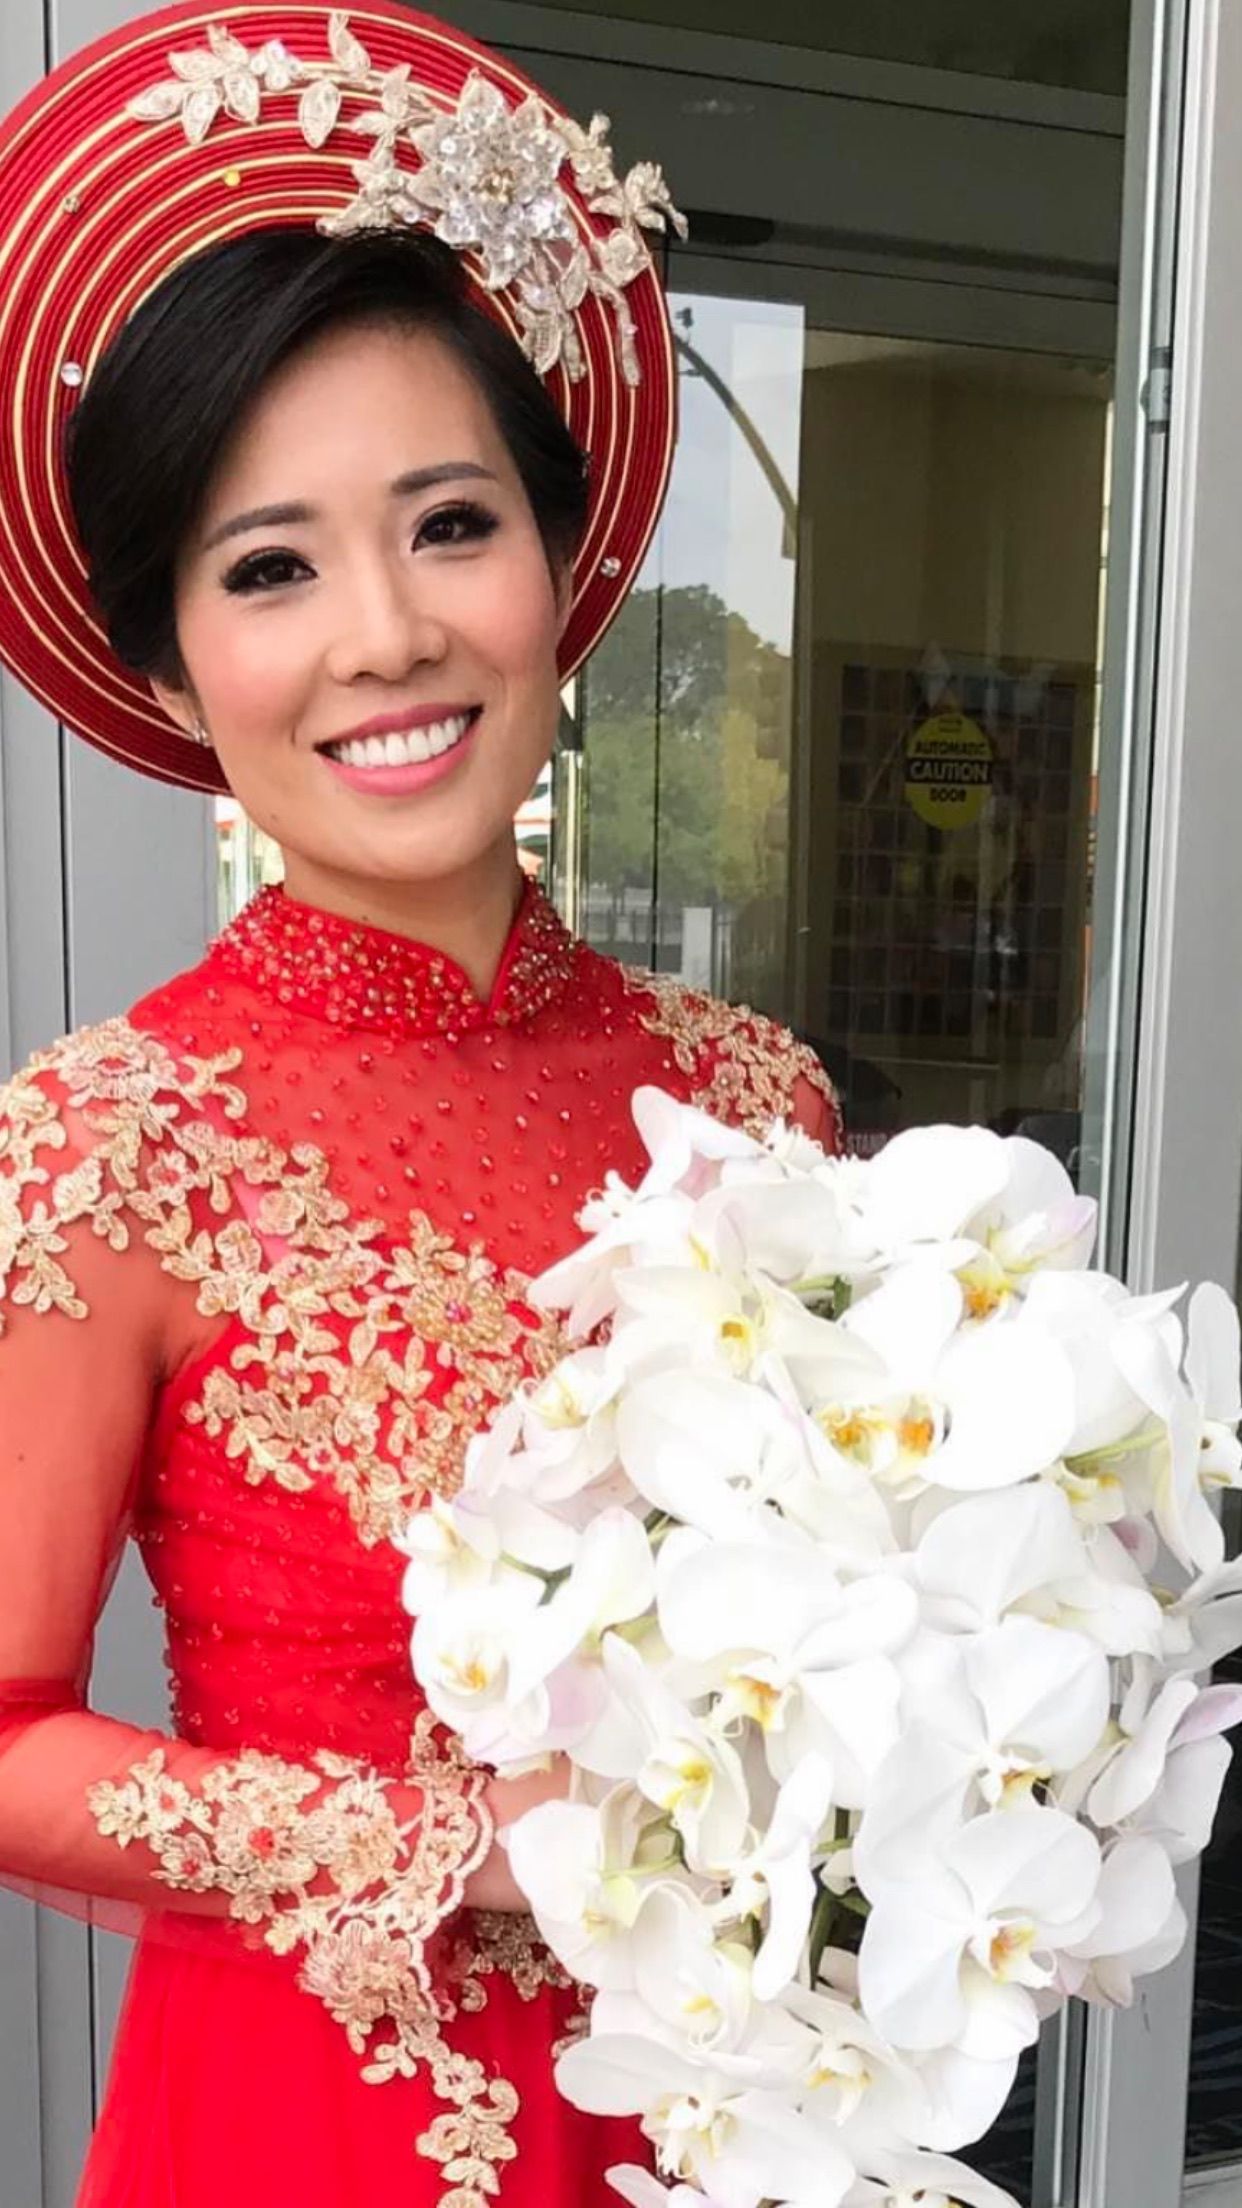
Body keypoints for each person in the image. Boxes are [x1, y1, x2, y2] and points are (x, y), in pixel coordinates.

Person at [0, 6, 842, 2202]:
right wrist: (477, 1845)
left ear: (561, 578)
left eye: (448, 523)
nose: (383, 634)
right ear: (177, 669)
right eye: (268, 566)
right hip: (313, 2123)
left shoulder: (757, 1102)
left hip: (735, 2104)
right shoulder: (116, 1137)